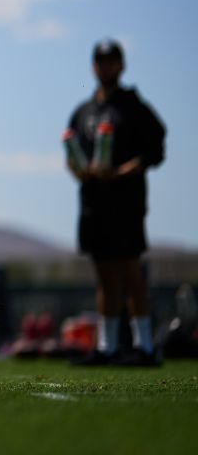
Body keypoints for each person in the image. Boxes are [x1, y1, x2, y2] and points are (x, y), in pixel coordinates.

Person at [65, 39, 166, 367]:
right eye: (100, 61)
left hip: (126, 202)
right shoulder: (83, 111)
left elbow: (155, 150)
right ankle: (107, 347)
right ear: (93, 66)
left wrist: (121, 172)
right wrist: (80, 171)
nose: (105, 66)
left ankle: (145, 347)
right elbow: (72, 154)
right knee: (104, 277)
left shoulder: (134, 107)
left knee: (131, 274)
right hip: (93, 203)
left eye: (111, 61)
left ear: (121, 66)